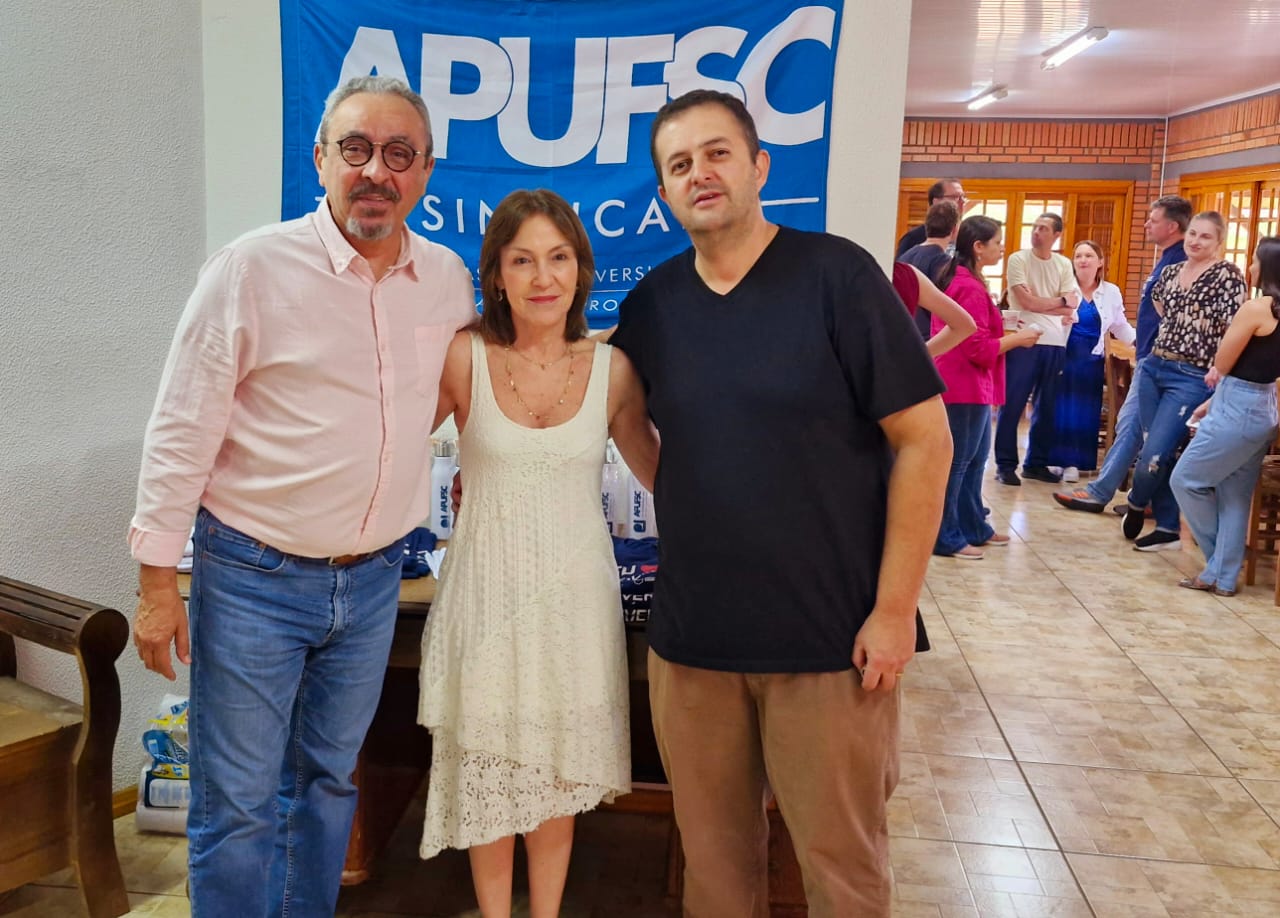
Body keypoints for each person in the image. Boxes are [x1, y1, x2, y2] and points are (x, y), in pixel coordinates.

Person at [128, 76, 476, 917]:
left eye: (399, 153)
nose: (376, 171)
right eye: (356, 148)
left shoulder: (445, 278)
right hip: (253, 576)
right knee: (239, 801)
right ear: (320, 159)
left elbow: (428, 401)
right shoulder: (251, 269)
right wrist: (155, 585)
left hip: (373, 581)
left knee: (325, 786)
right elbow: (181, 427)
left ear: (426, 172)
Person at [611, 89, 952, 917]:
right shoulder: (653, 305)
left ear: (759, 166)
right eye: (680, 164)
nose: (700, 173)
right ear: (664, 192)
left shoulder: (838, 277)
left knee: (843, 873)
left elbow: (926, 441)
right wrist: (688, 491)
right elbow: (624, 416)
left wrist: (894, 611)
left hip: (830, 642)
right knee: (714, 873)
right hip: (695, 646)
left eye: (717, 153)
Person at [416, 189, 658, 917]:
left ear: (581, 270)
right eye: (522, 260)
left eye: (558, 258)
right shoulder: (465, 357)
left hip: (574, 606)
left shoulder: (614, 369)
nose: (543, 277)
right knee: (488, 772)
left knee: (556, 779)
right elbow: (389, 446)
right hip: (485, 600)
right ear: (496, 275)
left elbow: (664, 477)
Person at [1118, 211, 1248, 551]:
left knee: (1154, 454)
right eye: (1192, 234)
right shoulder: (1171, 271)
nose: (1195, 241)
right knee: (1159, 449)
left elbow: (1234, 329)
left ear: (1219, 242)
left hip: (1192, 376)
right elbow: (1162, 308)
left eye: (1205, 236)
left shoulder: (1228, 276)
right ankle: (1167, 528)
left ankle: (1136, 500)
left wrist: (1220, 366)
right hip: (1154, 367)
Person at [1054, 195, 1192, 513]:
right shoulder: (1168, 259)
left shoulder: (1181, 262)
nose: (1146, 225)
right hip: (1148, 358)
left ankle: (1131, 498)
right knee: (1131, 426)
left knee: (1142, 429)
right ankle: (1118, 494)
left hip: (1161, 361)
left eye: (1153, 220)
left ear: (1172, 226)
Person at [1171, 237, 1280, 594]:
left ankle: (1218, 563)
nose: (1250, 267)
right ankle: (1224, 577)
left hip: (1240, 408)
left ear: (1269, 268)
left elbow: (1222, 362)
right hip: (1263, 405)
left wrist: (1222, 388)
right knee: (1234, 494)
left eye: (1255, 261)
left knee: (1185, 479)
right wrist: (1215, 399)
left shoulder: (1257, 308)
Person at [932, 216, 1041, 559]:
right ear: (978, 247)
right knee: (958, 464)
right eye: (997, 242)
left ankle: (973, 526)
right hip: (961, 384)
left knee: (976, 461)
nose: (1002, 248)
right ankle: (945, 535)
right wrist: (1019, 339)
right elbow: (977, 347)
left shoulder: (969, 281)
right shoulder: (967, 286)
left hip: (973, 383)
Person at [993, 212, 1080, 485]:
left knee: (1047, 406)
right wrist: (1059, 302)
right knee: (1013, 403)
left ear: (1056, 235)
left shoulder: (1063, 264)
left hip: (1055, 342)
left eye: (1043, 228)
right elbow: (1026, 302)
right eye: (1035, 227)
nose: (1036, 232)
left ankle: (1036, 463)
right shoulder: (1018, 259)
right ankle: (1005, 465)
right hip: (1024, 339)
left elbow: (1072, 305)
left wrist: (1051, 303)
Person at [1047, 241, 1135, 481]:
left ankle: (1075, 463)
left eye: (1088, 255)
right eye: (1078, 256)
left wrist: (1139, 342)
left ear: (1100, 262)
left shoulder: (1111, 292)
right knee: (1059, 408)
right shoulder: (1062, 289)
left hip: (1091, 362)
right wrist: (1058, 321)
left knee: (1084, 411)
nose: (1083, 260)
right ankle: (1054, 459)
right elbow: (1046, 318)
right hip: (1064, 357)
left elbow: (1119, 325)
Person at [899, 200, 962, 337]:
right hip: (928, 335)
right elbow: (945, 306)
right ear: (954, 229)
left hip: (904, 330)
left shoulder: (905, 256)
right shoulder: (942, 261)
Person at [890, 260, 977, 358]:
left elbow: (966, 326)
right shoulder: (905, 273)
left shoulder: (905, 271)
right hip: (902, 359)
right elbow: (966, 327)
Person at [896, 178, 967, 258]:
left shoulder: (967, 236)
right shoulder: (913, 238)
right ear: (936, 202)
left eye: (963, 197)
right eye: (955, 197)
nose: (962, 201)